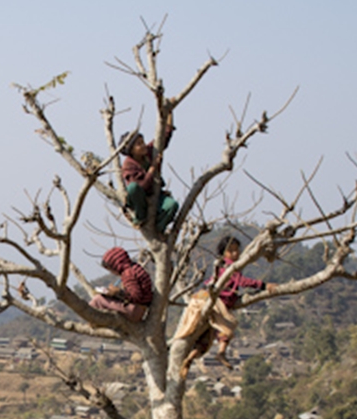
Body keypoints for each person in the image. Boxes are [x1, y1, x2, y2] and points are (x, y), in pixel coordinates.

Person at [177, 235, 277, 377]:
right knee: (227, 326)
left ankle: (190, 358)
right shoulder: (229, 267)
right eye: (231, 251)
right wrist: (264, 285)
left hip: (206, 299)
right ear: (224, 253)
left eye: (237, 250)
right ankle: (221, 352)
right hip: (214, 300)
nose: (235, 253)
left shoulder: (224, 266)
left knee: (206, 338)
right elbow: (241, 281)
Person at [119, 128, 178, 233]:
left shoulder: (148, 153)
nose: (143, 146)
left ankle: (158, 228)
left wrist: (168, 114)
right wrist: (152, 168)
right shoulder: (128, 164)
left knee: (172, 205)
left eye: (143, 142)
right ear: (131, 150)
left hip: (155, 194)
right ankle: (140, 217)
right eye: (139, 144)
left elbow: (164, 136)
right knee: (133, 187)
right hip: (139, 199)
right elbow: (142, 185)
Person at [89, 247, 154, 322]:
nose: (112, 272)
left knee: (97, 300)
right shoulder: (135, 268)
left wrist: (117, 292)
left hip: (134, 311)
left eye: (111, 269)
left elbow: (136, 296)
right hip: (139, 309)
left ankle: (95, 322)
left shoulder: (128, 274)